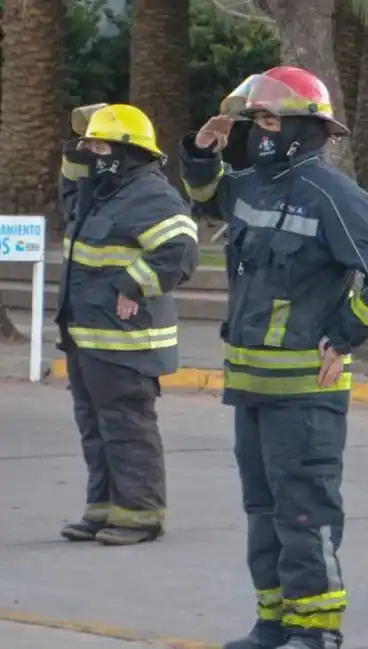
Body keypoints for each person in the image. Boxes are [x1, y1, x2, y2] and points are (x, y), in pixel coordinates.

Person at [179, 66, 368, 649]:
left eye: (267, 121)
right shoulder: (255, 184)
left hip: (305, 394)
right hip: (251, 387)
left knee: (305, 514)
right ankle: (274, 623)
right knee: (263, 513)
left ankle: (316, 632)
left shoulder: (332, 195)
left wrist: (343, 335)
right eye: (254, 120)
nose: (258, 132)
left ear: (302, 128)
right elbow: (210, 201)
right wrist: (201, 154)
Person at [55, 103, 199, 547]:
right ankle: (102, 509)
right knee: (95, 427)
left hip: (126, 340)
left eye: (97, 144)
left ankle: (139, 514)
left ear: (126, 152)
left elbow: (180, 249)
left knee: (126, 428)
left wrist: (132, 284)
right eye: (86, 144)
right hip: (89, 335)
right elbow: (69, 185)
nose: (88, 151)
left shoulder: (148, 194)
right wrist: (79, 151)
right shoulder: (100, 192)